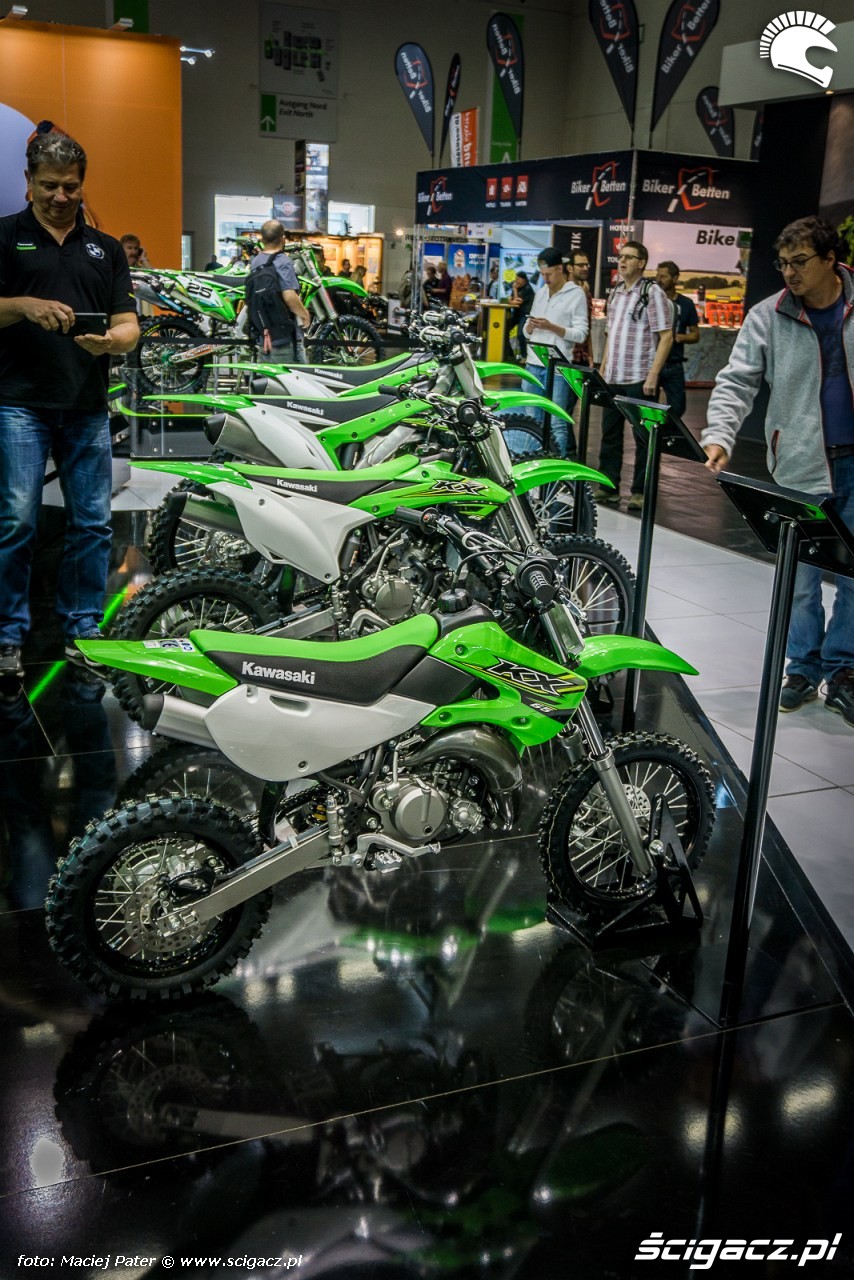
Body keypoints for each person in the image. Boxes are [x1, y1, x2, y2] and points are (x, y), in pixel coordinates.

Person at [701, 215, 854, 726]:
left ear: (830, 259)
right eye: (783, 263)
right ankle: (803, 668)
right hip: (801, 462)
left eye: (800, 261)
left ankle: (845, 671)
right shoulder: (769, 314)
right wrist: (720, 434)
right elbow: (736, 380)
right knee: (801, 577)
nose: (789, 272)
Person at [0, 128, 140, 680]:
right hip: (18, 404)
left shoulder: (105, 249)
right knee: (17, 521)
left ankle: (83, 628)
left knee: (94, 523)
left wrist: (113, 342)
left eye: (71, 187)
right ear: (29, 181)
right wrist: (24, 306)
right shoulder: (5, 237)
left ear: (83, 186)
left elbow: (128, 324)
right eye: (50, 186)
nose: (61, 197)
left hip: (86, 404)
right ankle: (7, 634)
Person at [596, 240, 673, 510]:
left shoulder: (652, 292)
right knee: (610, 436)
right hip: (614, 376)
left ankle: (640, 492)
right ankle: (608, 487)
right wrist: (603, 366)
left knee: (643, 439)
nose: (622, 261)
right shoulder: (616, 292)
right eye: (621, 256)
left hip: (640, 377)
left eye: (629, 257)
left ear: (641, 263)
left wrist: (653, 375)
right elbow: (611, 333)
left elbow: (666, 336)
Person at [508, 246, 587, 457]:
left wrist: (552, 327)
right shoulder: (541, 293)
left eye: (549, 274)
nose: (545, 279)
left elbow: (581, 334)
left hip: (558, 367)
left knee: (557, 422)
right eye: (542, 274)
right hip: (533, 365)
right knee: (532, 421)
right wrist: (529, 327)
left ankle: (557, 465)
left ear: (560, 269)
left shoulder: (576, 295)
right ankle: (536, 462)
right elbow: (526, 333)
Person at [248, 218, 311, 362]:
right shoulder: (282, 261)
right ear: (283, 239)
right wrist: (305, 314)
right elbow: (289, 296)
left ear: (262, 239)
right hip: (285, 338)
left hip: (264, 335)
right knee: (293, 375)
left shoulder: (256, 261)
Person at [655, 260, 699, 418]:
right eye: (657, 276)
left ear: (675, 278)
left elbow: (695, 334)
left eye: (664, 276)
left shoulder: (686, 304)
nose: (659, 280)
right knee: (648, 404)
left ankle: (666, 430)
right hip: (652, 362)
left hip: (674, 363)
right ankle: (653, 431)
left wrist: (680, 337)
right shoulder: (652, 302)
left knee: (678, 407)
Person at [567, 249, 593, 367]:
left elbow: (587, 328)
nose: (585, 268)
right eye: (581, 265)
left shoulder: (586, 293)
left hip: (582, 357)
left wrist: (590, 356)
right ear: (570, 268)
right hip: (566, 356)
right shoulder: (562, 291)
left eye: (586, 265)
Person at [509, 270, 534, 361]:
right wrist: (512, 299)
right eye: (516, 279)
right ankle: (509, 354)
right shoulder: (518, 287)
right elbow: (510, 300)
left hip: (525, 314)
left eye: (518, 279)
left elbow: (517, 302)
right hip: (517, 314)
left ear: (524, 280)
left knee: (521, 334)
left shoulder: (527, 289)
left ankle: (524, 356)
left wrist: (515, 290)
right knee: (504, 330)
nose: (516, 281)